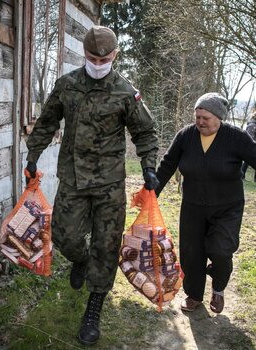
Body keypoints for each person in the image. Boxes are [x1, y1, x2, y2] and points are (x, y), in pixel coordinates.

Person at [25, 26, 159, 345]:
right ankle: (80, 260)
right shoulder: (67, 85)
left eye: (105, 58)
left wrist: (149, 167)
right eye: (92, 57)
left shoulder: (126, 92)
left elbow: (145, 133)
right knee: (65, 236)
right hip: (73, 177)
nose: (98, 62)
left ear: (115, 55)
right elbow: (46, 122)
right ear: (84, 54)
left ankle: (94, 307)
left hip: (109, 183)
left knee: (106, 244)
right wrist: (32, 157)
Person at [155, 92, 256, 314]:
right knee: (191, 253)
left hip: (227, 206)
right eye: (197, 116)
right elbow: (168, 163)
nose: (200, 121)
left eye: (206, 118)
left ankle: (218, 288)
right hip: (192, 206)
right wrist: (152, 192)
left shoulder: (236, 137)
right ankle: (193, 295)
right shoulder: (186, 135)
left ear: (219, 118)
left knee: (221, 250)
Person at [241, 110, 256, 181]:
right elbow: (249, 137)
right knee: (246, 162)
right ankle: (242, 175)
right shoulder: (252, 126)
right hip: (250, 146)